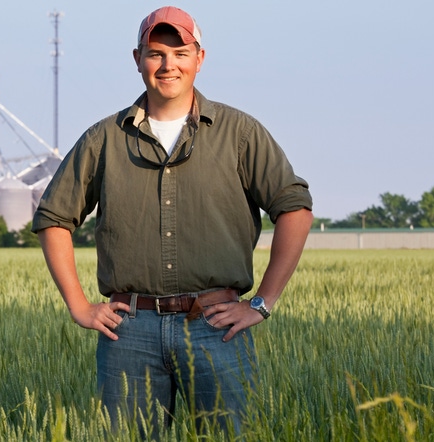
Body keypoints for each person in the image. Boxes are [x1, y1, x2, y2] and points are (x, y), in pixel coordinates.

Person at [32, 5, 313, 435]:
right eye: (156, 53)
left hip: (215, 329)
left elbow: (294, 208)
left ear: (199, 58)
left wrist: (261, 303)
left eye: (180, 52)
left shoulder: (238, 132)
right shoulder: (104, 137)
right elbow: (54, 217)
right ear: (137, 59)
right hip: (130, 333)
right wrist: (78, 306)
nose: (168, 65)